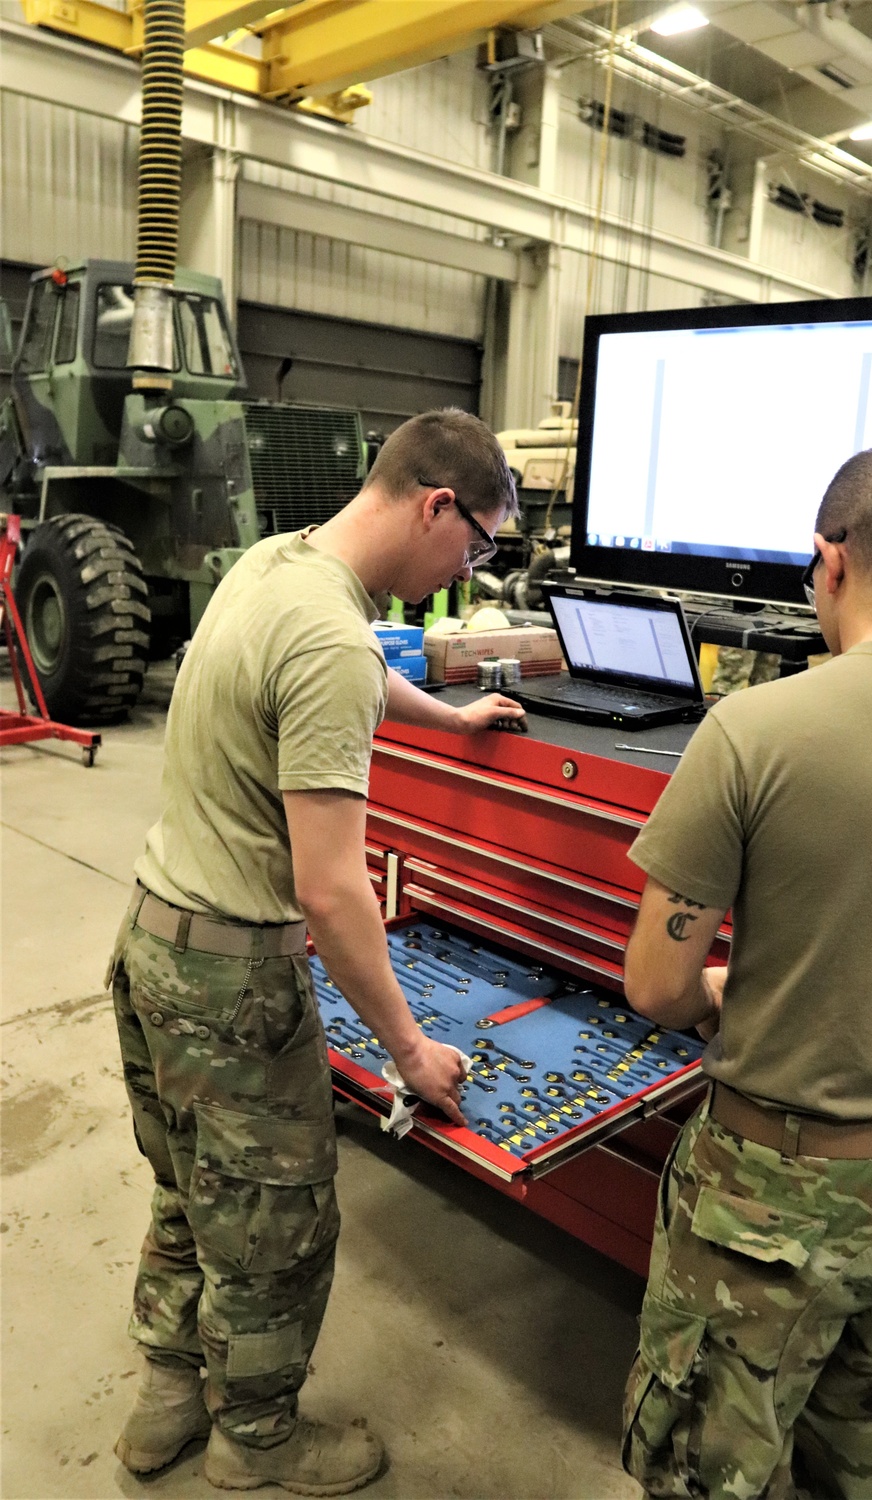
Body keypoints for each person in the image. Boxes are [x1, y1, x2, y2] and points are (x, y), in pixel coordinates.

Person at [108, 408, 525, 1494]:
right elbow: (333, 891)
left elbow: (332, 683)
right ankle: (254, 1441)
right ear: (437, 505)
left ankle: (163, 1399)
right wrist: (408, 1050)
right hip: (235, 976)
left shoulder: (274, 564)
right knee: (276, 1225)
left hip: (152, 936)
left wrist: (450, 717)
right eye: (475, 542)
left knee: (189, 1187)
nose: (467, 567)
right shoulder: (332, 637)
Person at [620, 446, 872, 1500]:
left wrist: (722, 993)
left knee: (702, 1474)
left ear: (826, 563)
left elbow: (654, 984)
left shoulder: (751, 731)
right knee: (869, 1469)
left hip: (765, 1194)